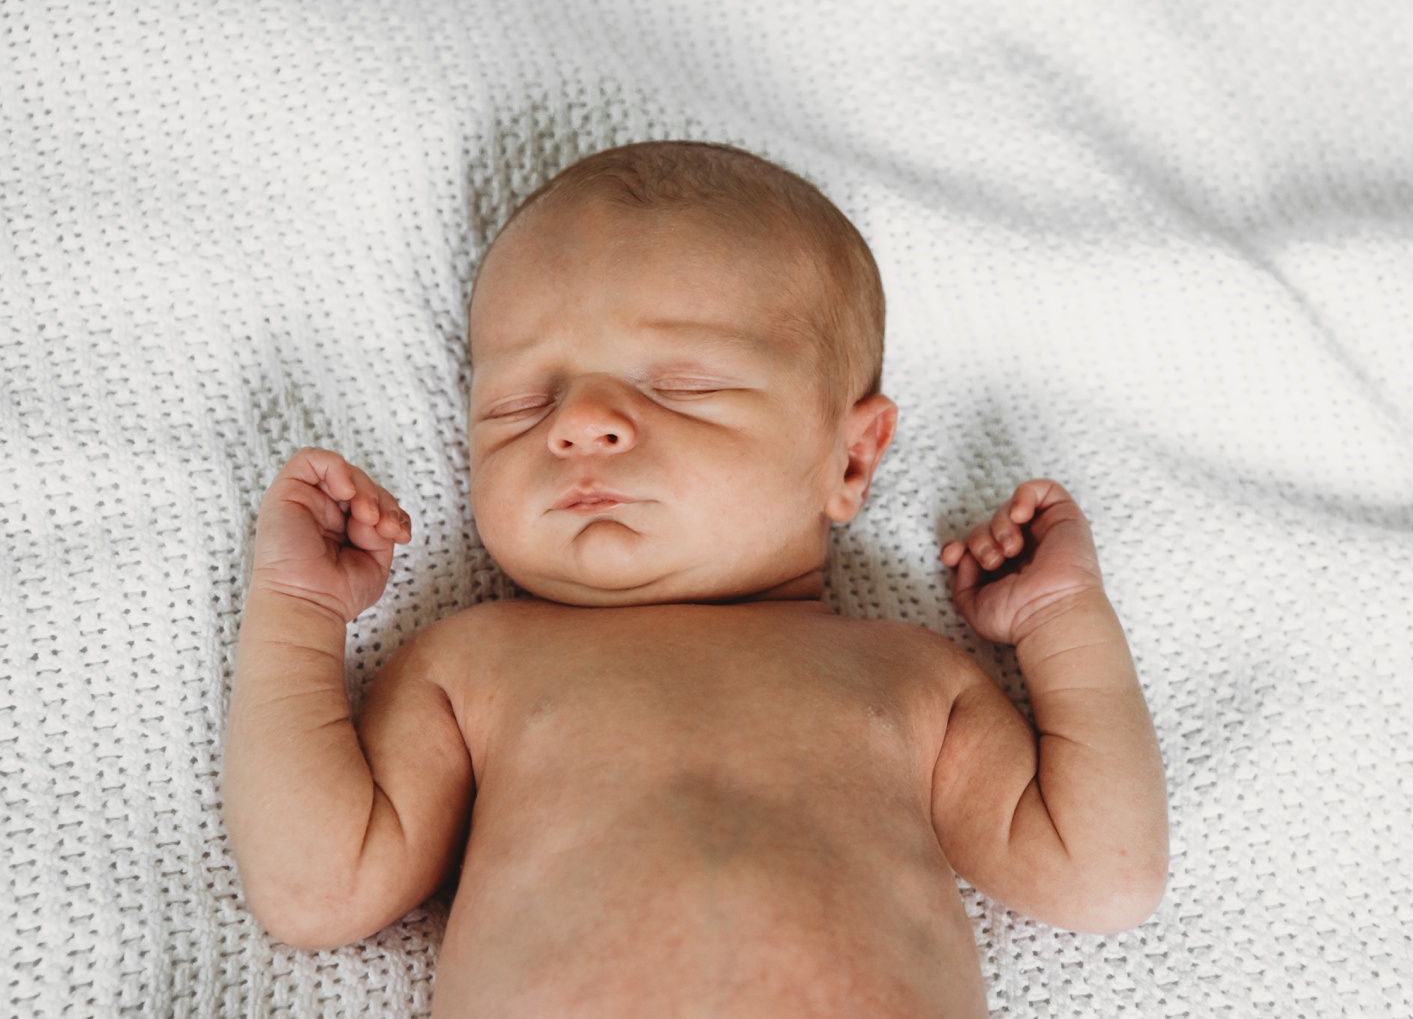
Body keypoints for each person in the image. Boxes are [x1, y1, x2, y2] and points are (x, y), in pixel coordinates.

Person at [224, 140, 1168, 1017]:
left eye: (681, 386)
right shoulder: (475, 663)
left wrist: (1060, 619)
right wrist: (299, 611)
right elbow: (319, 888)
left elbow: (1098, 873)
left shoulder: (912, 676)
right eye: (521, 402)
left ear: (850, 460)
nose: (580, 423)